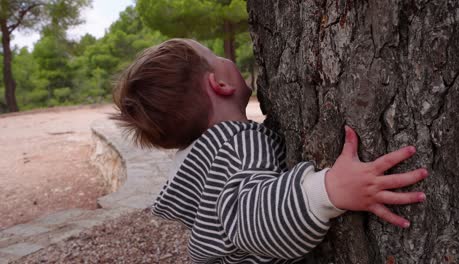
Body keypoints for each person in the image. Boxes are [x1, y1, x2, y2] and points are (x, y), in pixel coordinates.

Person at [111, 39, 428, 263]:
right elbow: (250, 223)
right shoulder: (236, 145)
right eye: (216, 55)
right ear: (219, 84)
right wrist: (330, 190)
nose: (226, 57)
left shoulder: (201, 162)